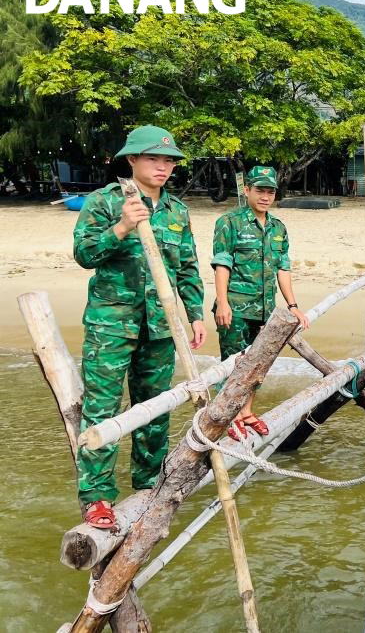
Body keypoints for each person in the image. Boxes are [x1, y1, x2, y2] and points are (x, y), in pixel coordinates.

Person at [74, 125, 206, 529]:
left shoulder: (177, 211)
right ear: (131, 160)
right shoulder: (105, 202)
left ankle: (149, 485)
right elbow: (83, 254)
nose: (163, 167)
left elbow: (187, 267)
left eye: (168, 161)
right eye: (154, 158)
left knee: (154, 410)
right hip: (112, 326)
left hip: (161, 329)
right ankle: (97, 498)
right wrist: (122, 227)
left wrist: (196, 313)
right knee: (102, 411)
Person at [211, 165, 310, 439]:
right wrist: (222, 303)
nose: (265, 196)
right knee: (234, 364)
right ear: (247, 190)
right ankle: (227, 416)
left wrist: (292, 306)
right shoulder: (229, 222)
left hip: (266, 310)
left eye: (270, 191)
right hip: (236, 307)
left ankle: (246, 413)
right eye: (260, 190)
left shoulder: (279, 228)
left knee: (257, 367)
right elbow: (222, 264)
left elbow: (283, 268)